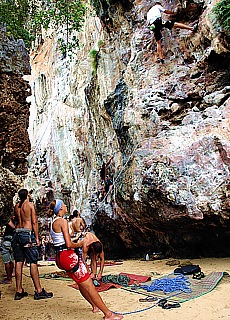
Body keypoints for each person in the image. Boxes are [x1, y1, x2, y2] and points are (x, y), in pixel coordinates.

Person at [47, 199, 123, 320]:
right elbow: (69, 244)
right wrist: (81, 243)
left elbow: (62, 240)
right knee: (89, 285)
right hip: (69, 257)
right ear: (61, 208)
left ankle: (95, 305)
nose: (66, 206)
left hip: (60, 258)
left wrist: (76, 238)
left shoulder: (53, 222)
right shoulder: (62, 221)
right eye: (64, 205)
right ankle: (108, 314)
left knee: (81, 283)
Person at [12, 188, 53, 300]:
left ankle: (19, 290)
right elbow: (34, 222)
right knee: (33, 262)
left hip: (17, 234)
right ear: (27, 195)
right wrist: (37, 237)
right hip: (27, 234)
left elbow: (14, 219)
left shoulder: (17, 206)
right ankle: (39, 291)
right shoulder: (29, 205)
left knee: (19, 261)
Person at [1, 216, 16, 284]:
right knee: (11, 260)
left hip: (7, 241)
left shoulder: (10, 221)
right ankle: (10, 274)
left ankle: (9, 278)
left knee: (7, 261)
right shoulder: (18, 222)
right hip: (13, 241)